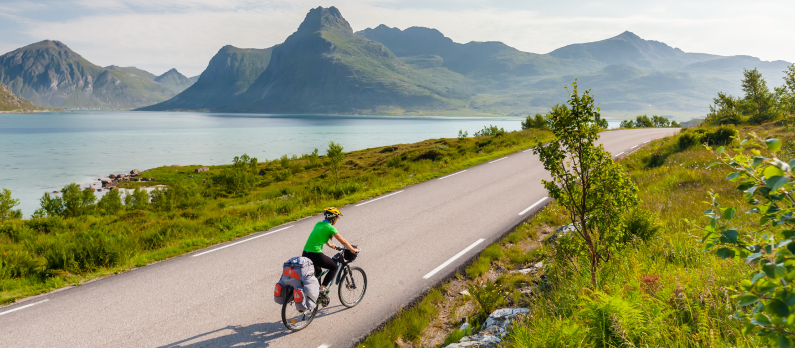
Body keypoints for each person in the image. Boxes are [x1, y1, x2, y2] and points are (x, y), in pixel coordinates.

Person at [303, 207, 358, 293]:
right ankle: (322, 288)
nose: (337, 220)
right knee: (334, 267)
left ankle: (316, 294)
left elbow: (320, 236)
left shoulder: (318, 224)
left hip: (306, 253)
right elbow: (343, 241)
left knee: (318, 271)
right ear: (333, 218)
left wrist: (330, 245)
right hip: (315, 254)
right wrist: (352, 249)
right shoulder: (330, 228)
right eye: (337, 218)